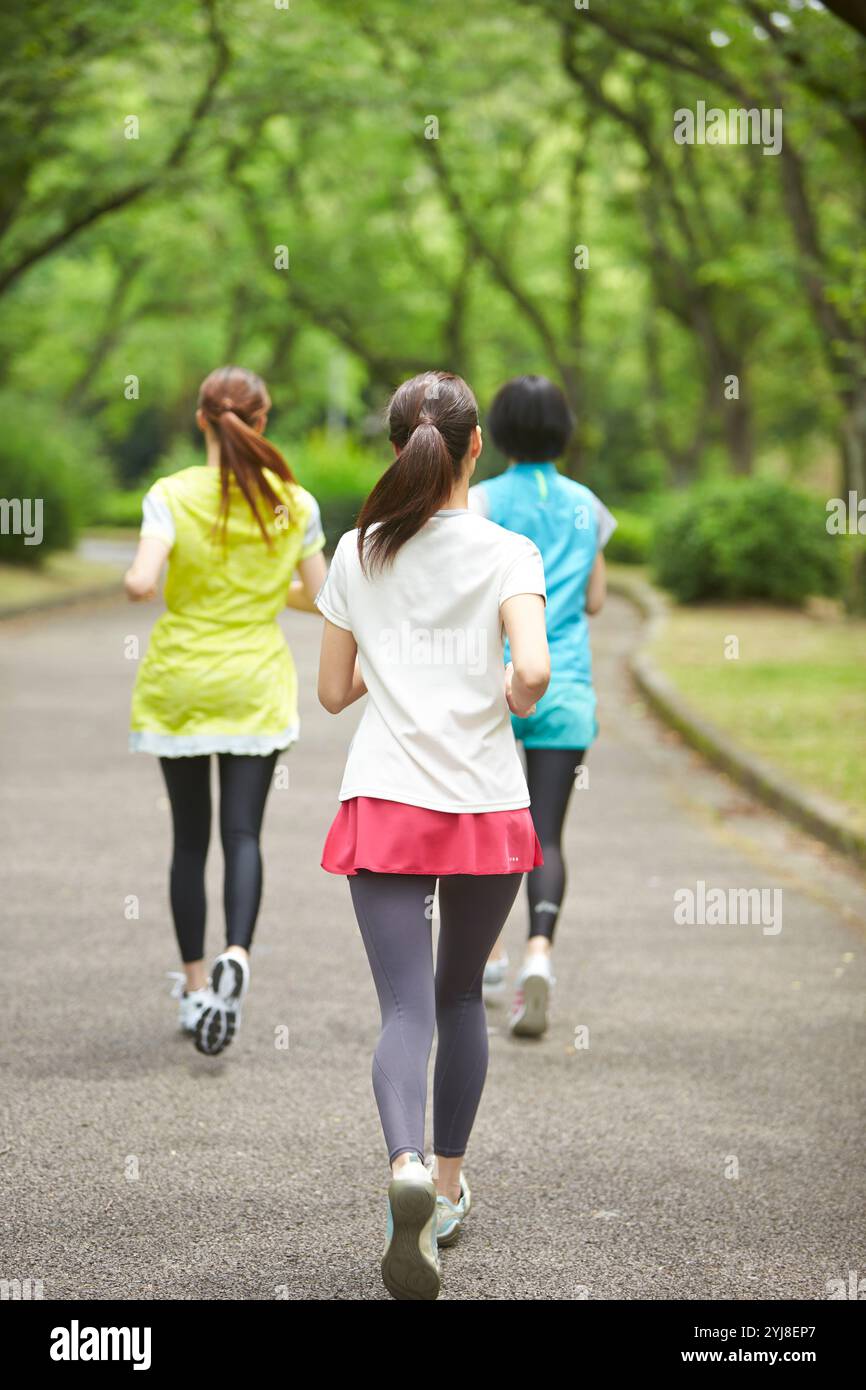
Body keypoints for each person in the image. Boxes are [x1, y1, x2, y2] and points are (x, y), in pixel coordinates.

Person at [315, 371, 549, 1300]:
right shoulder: (507, 550)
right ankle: (446, 1187)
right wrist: (498, 693)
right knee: (459, 999)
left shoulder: (355, 551)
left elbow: (334, 692)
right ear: (475, 446)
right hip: (484, 805)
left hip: (386, 798)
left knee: (404, 1010)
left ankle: (403, 1165)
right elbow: (531, 668)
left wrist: (397, 667)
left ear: (395, 444)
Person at [125, 366, 327, 1055]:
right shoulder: (291, 504)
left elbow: (143, 580)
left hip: (181, 683)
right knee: (244, 836)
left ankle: (192, 988)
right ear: (261, 422)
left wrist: (141, 575)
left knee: (189, 840)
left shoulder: (170, 495)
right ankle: (236, 953)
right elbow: (321, 596)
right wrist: (269, 587)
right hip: (255, 684)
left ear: (201, 420)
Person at [469, 375, 616, 1038]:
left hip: (493, 684)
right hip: (567, 683)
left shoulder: (480, 501)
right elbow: (593, 600)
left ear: (495, 434)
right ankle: (540, 956)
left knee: (486, 822)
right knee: (546, 831)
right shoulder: (588, 505)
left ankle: (489, 954)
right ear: (563, 431)